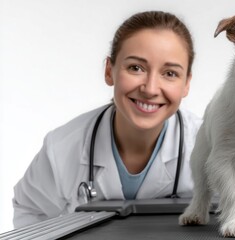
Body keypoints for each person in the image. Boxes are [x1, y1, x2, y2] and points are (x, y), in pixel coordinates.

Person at [12, 11, 201, 228]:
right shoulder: (62, 147)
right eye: (136, 68)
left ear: (186, 83)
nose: (150, 89)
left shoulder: (213, 147)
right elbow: (31, 209)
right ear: (109, 71)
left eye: (169, 73)